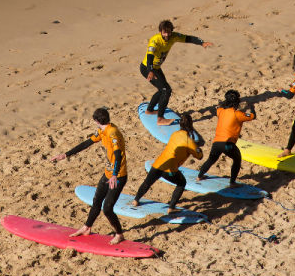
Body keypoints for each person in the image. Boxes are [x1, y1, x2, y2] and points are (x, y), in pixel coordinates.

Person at [51, 107, 128, 245]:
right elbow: (87, 143)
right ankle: (87, 227)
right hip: (108, 173)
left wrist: (115, 175)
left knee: (107, 208)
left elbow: (118, 155)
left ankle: (119, 234)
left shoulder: (112, 133)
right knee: (97, 201)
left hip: (118, 176)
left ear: (96, 121)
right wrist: (65, 154)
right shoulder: (102, 131)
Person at [141, 19, 213, 126]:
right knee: (166, 90)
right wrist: (150, 71)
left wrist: (201, 43)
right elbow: (150, 56)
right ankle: (160, 119)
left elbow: (188, 38)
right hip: (147, 68)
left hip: (156, 68)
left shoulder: (174, 36)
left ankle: (150, 110)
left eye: (169, 31)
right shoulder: (154, 41)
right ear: (160, 31)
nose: (167, 34)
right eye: (164, 32)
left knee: (162, 90)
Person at [129, 112, 204, 211]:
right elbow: (199, 156)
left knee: (147, 182)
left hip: (158, 163)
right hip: (169, 170)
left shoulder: (174, 134)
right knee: (182, 183)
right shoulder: (189, 141)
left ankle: (136, 200)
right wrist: (198, 148)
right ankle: (171, 207)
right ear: (191, 125)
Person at [197, 90, 255, 186]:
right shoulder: (238, 114)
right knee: (237, 159)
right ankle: (232, 182)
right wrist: (252, 107)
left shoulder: (220, 111)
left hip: (216, 143)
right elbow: (253, 116)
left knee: (211, 160)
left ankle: (199, 176)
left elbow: (217, 109)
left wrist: (221, 104)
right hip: (227, 144)